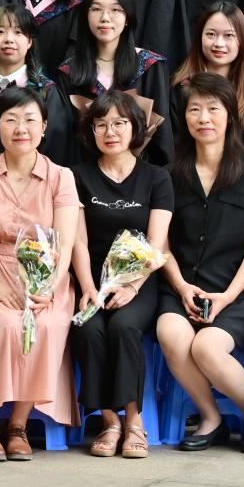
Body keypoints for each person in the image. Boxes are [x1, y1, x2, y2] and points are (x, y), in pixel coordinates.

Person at [153, 73, 244, 456]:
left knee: (207, 347)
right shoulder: (170, 176)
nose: (203, 118)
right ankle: (211, 417)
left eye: (213, 109)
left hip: (236, 291)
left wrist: (226, 297)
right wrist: (180, 286)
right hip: (184, 286)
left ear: (230, 116)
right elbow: (162, 244)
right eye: (194, 110)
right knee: (171, 333)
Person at [0, 87, 83, 461]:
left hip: (46, 274)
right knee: (1, 324)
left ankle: (18, 424)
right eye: (10, 120)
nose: (20, 129)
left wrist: (50, 286)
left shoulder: (61, 177)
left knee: (45, 324)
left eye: (30, 120)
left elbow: (65, 242)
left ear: (44, 127)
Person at [64, 91, 174, 457]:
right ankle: (109, 421)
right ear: (91, 131)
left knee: (125, 327)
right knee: (88, 328)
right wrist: (87, 287)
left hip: (139, 281)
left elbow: (157, 244)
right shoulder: (77, 176)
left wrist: (133, 286)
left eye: (119, 123)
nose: (110, 132)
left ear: (136, 128)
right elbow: (78, 241)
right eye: (101, 125)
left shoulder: (157, 178)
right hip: (92, 279)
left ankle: (134, 421)